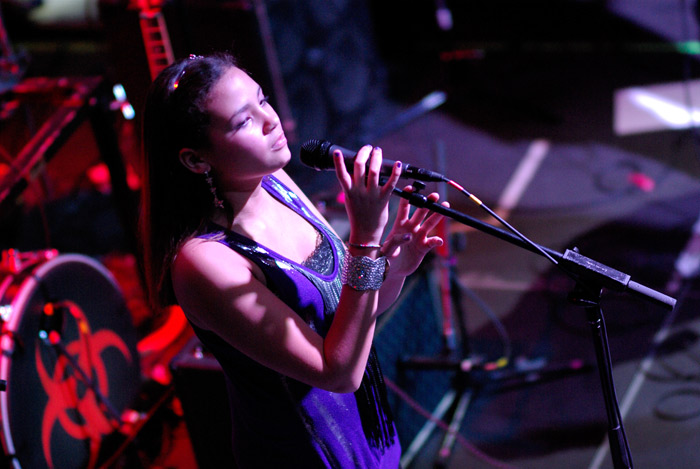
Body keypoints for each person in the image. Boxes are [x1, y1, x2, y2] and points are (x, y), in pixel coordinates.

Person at [140, 52, 447, 468]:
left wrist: (392, 269)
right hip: (306, 454)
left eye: (263, 100)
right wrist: (364, 241)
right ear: (196, 160)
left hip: (369, 436)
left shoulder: (276, 182)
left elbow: (347, 320)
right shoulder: (204, 262)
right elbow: (337, 372)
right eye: (244, 121)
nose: (272, 121)